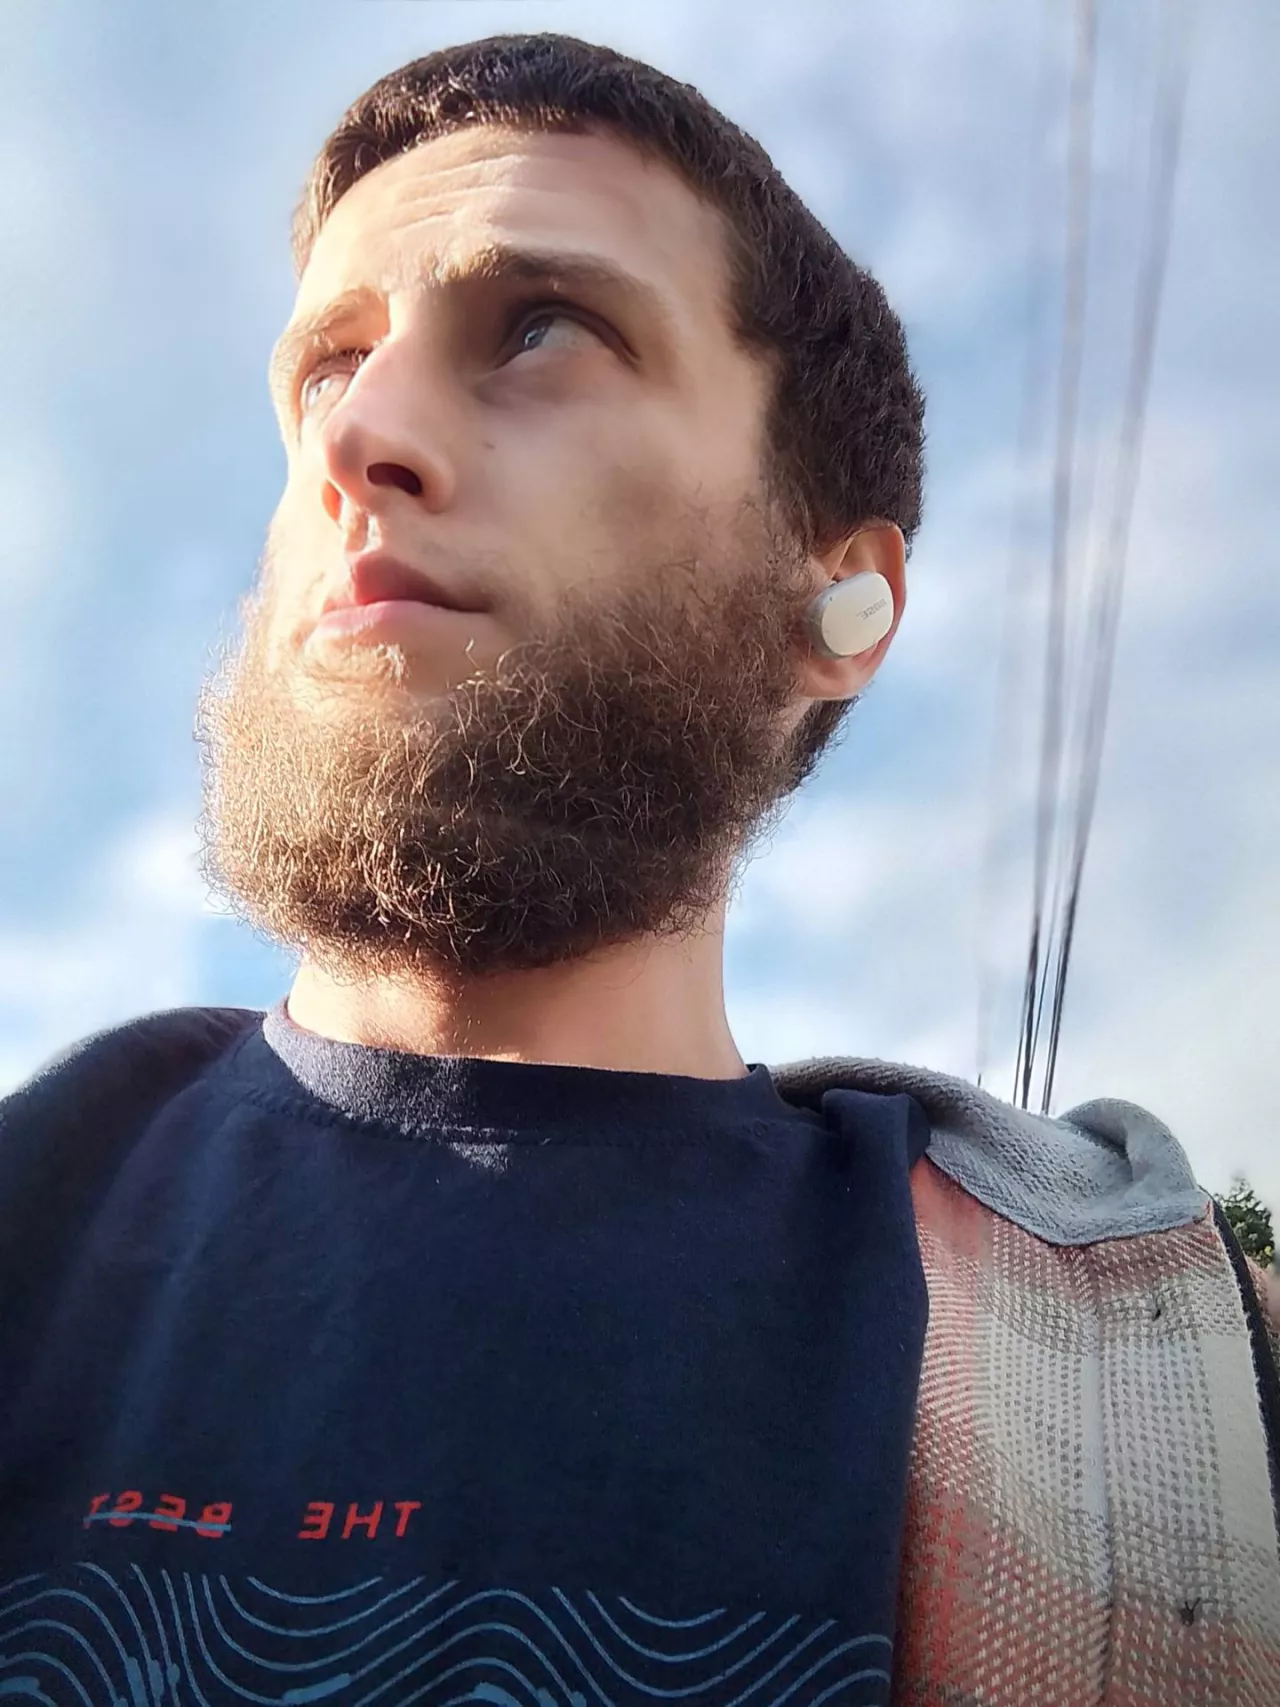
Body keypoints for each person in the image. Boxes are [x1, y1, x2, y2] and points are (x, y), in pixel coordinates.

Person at [1, 31, 1276, 1706]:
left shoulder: (1193, 1387)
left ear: (839, 600)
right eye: (325, 368)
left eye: (541, 328)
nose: (358, 435)